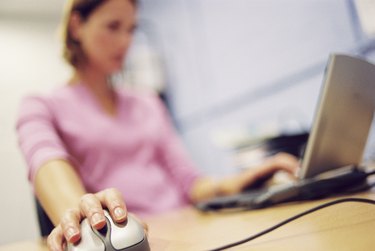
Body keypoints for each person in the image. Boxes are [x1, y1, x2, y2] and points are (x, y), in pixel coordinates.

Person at [15, 0, 299, 250]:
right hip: (132, 237)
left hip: (192, 229)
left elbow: (190, 183)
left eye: (131, 29)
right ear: (77, 26)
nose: (125, 41)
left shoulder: (147, 101)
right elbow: (46, 162)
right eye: (113, 26)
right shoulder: (41, 106)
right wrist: (80, 215)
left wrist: (244, 179)